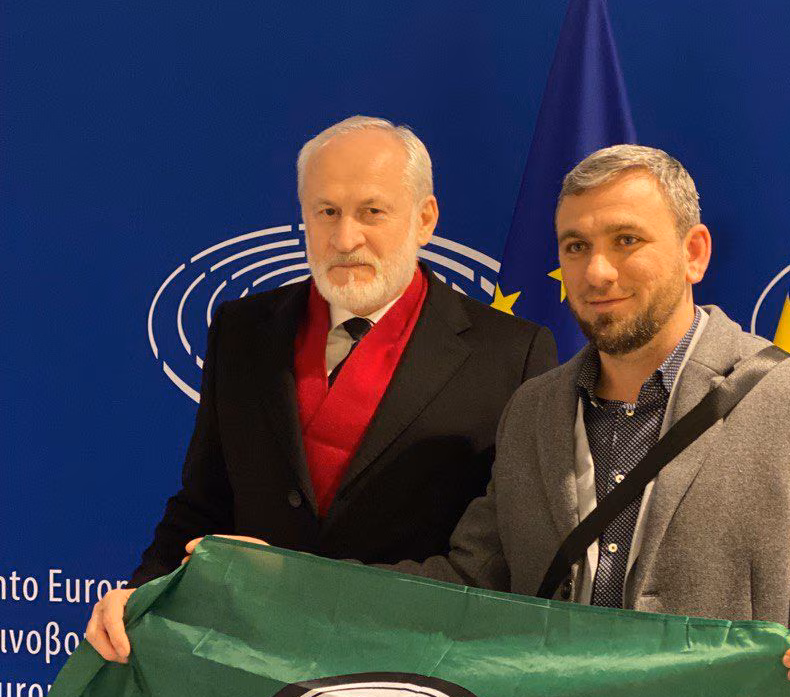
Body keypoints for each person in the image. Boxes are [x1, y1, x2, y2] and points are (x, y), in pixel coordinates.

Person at [385, 144, 790, 697]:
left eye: (627, 240)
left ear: (694, 253)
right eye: (576, 247)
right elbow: (475, 579)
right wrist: (328, 595)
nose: (597, 272)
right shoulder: (532, 409)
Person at [86, 116, 557, 662]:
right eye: (326, 212)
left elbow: (490, 568)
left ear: (425, 218)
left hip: (413, 668)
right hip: (249, 661)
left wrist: (301, 586)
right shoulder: (242, 331)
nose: (345, 238)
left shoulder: (511, 356)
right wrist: (142, 594)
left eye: (372, 212)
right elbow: (204, 504)